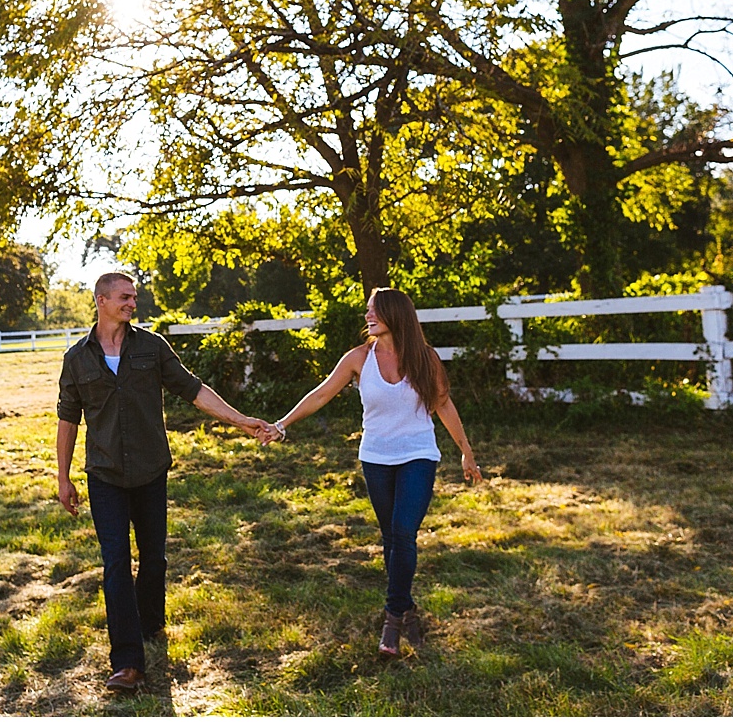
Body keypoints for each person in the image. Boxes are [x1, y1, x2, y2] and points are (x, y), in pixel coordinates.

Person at [55, 272, 277, 694]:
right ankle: (127, 661)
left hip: (151, 471)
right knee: (116, 563)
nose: (132, 304)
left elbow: (195, 390)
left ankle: (151, 623)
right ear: (101, 301)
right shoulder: (77, 359)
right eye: (124, 297)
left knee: (153, 557)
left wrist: (242, 420)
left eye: (134, 298)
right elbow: (69, 418)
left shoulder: (151, 347)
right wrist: (62, 476)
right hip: (104, 476)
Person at [267, 286, 481, 656]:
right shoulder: (358, 358)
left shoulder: (424, 358)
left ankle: (392, 619)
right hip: (376, 458)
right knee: (392, 538)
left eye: (374, 311)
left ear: (394, 316)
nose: (367, 317)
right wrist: (282, 424)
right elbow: (321, 394)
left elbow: (443, 404)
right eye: (367, 310)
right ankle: (408, 608)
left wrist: (466, 452)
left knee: (403, 531)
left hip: (418, 454)